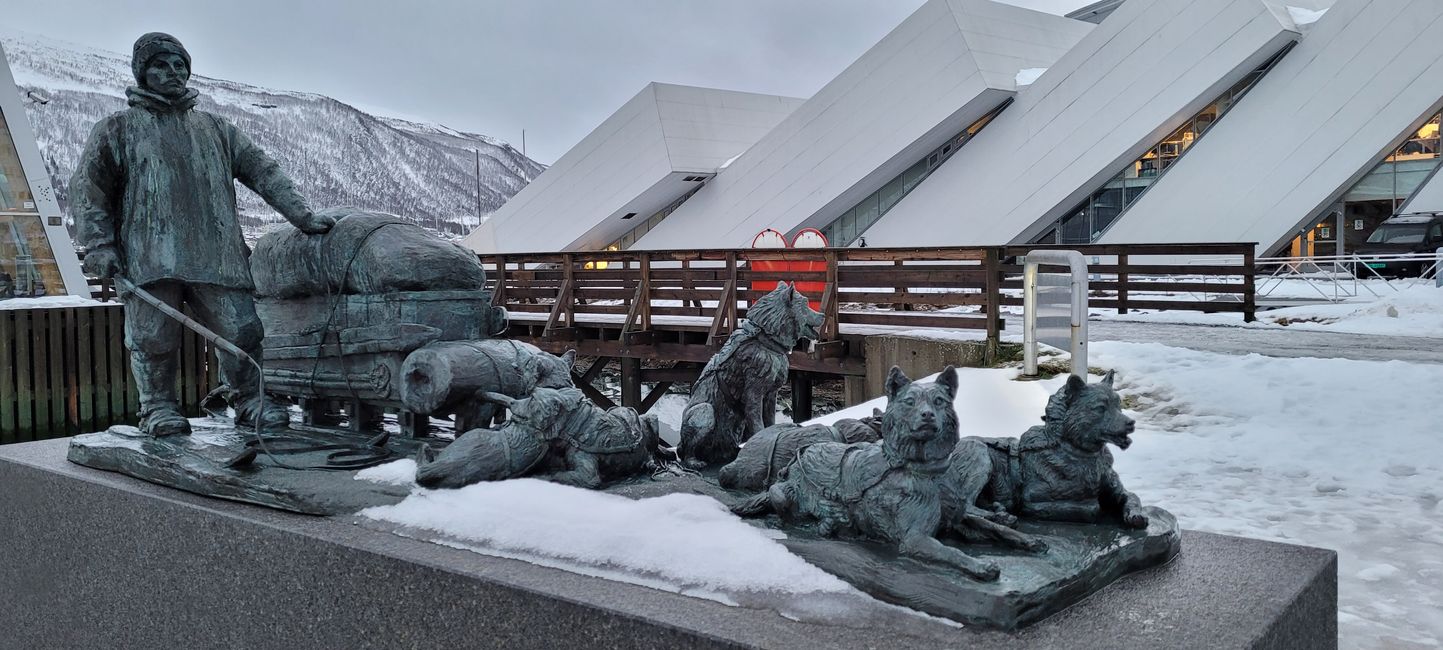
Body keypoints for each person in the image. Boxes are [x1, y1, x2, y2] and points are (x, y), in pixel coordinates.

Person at [71, 32, 334, 436]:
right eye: (161, 65)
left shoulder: (216, 128)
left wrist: (302, 216)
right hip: (149, 258)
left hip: (218, 254)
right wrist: (99, 244)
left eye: (180, 65)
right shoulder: (117, 129)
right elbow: (90, 190)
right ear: (142, 73)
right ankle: (157, 407)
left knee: (243, 330)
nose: (173, 73)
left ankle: (250, 398)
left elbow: (264, 171)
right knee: (152, 338)